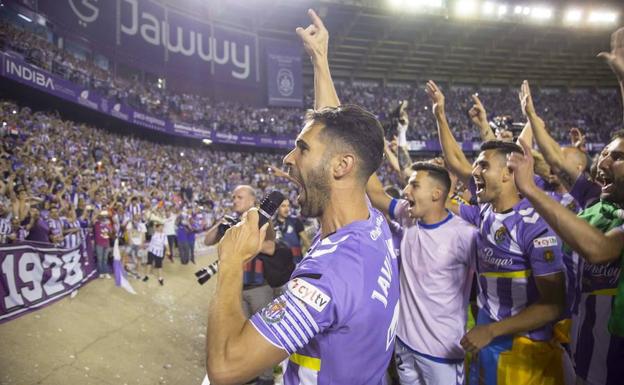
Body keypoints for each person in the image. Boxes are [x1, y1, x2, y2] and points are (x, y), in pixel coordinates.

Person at [205, 9, 399, 385]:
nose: (288, 159)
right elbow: (339, 137)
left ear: (342, 166)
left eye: (301, 149)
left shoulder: (329, 274)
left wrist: (230, 262)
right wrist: (320, 61)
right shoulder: (372, 223)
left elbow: (226, 367)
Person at [502, 27, 624, 384]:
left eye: (616, 157)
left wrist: (532, 191)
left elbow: (600, 249)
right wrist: (532, 119)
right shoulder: (596, 200)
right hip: (580, 347)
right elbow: (555, 160)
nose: (604, 161)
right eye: (603, 154)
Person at [367, 160, 478, 385]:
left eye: (414, 185)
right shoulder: (408, 216)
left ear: (436, 194)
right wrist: (357, 142)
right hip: (404, 343)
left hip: (441, 352)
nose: (406, 191)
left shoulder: (465, 236)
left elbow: (488, 286)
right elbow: (376, 193)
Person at [203, 184, 277, 385]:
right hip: (235, 290)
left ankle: (266, 378)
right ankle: (246, 377)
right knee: (235, 336)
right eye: (234, 197)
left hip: (258, 287)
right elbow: (207, 241)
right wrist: (221, 225)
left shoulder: (263, 222)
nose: (235, 200)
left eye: (239, 197)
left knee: (264, 336)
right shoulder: (231, 224)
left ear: (252, 200)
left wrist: (243, 243)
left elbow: (270, 247)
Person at [273, 199, 310, 263]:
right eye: (283, 206)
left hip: (296, 262)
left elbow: (306, 242)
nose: (287, 209)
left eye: (288, 206)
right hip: (278, 264)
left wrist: (309, 259)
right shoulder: (272, 224)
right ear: (277, 208)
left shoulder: (295, 221)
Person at [142, 221, 169, 286]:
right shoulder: (154, 232)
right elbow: (153, 224)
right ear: (157, 228)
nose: (161, 228)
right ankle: (147, 276)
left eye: (162, 227)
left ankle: (160, 278)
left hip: (159, 252)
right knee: (149, 263)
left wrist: (168, 250)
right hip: (151, 250)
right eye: (160, 227)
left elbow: (166, 244)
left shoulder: (164, 235)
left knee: (159, 266)